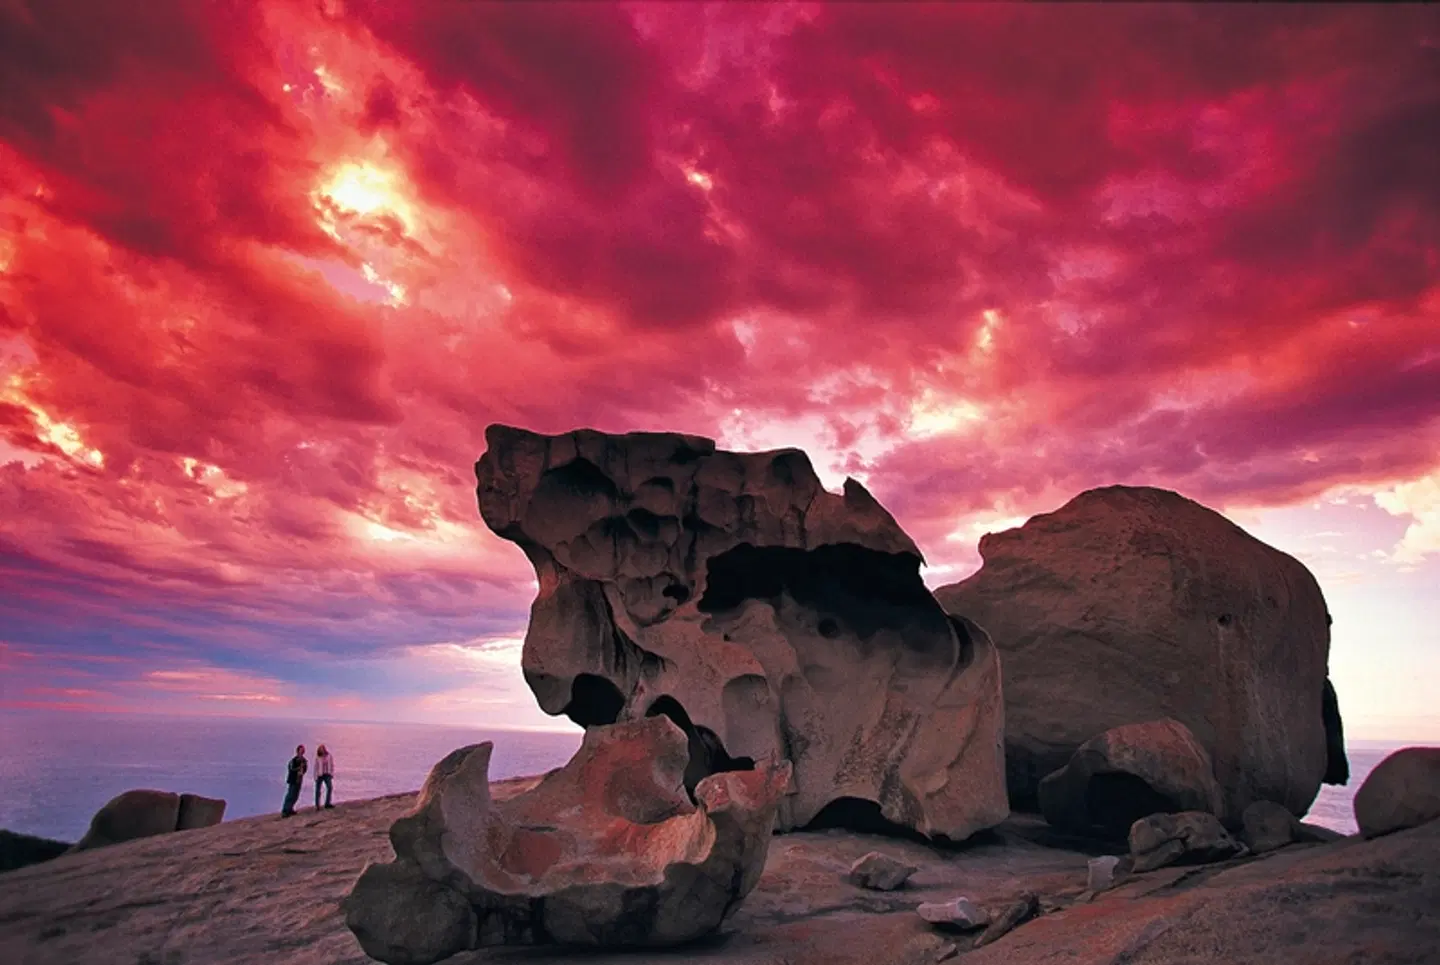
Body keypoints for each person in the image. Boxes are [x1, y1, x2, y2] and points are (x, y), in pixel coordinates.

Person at [282, 744, 307, 817]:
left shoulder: (304, 760)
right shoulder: (294, 760)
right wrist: (298, 769)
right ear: (298, 751)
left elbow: (305, 769)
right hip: (293, 779)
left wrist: (302, 771)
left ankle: (290, 808)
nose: (302, 751)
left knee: (295, 795)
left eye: (303, 750)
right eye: (301, 750)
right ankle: (285, 810)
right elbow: (291, 768)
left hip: (299, 779)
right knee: (290, 794)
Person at [314, 744, 335, 810]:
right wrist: (315, 776)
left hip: (327, 774)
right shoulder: (318, 757)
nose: (322, 750)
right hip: (320, 775)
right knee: (318, 790)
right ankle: (317, 805)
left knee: (330, 787)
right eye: (321, 749)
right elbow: (316, 767)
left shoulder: (329, 756)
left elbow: (332, 765)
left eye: (323, 749)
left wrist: (331, 774)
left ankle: (327, 803)